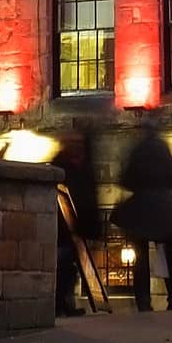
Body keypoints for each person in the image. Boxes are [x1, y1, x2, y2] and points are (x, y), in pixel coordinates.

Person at [115, 115, 172, 310]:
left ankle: (144, 301)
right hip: (163, 208)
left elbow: (125, 179)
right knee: (170, 255)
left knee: (141, 257)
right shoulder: (163, 148)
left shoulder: (136, 149)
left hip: (142, 208)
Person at [53, 123, 101, 317]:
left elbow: (89, 197)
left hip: (78, 226)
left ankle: (66, 302)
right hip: (64, 226)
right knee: (63, 267)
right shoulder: (62, 166)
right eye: (73, 142)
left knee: (70, 268)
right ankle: (61, 304)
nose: (77, 146)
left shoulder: (83, 165)